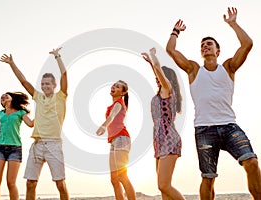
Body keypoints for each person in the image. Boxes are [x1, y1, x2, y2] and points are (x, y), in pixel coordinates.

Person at [166, 7, 261, 199]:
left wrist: (233, 24)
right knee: (208, 178)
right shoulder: (193, 69)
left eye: (209, 44)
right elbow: (171, 50)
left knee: (251, 162)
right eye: (202, 45)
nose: (205, 46)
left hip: (229, 127)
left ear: (218, 50)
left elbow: (247, 44)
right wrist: (175, 31)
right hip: (204, 130)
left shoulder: (228, 67)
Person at [0, 47, 69, 200]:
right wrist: (12, 64)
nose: (45, 87)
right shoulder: (38, 96)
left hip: (54, 145)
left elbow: (64, 75)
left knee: (60, 183)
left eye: (48, 84)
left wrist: (57, 56)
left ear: (54, 85)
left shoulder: (61, 97)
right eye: (43, 84)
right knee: (30, 183)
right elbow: (24, 81)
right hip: (37, 144)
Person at [142, 48, 184, 200]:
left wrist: (153, 57)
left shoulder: (167, 90)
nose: (157, 77)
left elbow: (159, 70)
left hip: (169, 139)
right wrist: (150, 64)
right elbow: (158, 72)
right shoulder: (160, 93)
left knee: (164, 185)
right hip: (159, 141)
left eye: (160, 76)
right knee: (163, 189)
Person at [96, 80, 136, 200]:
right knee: (114, 179)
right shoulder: (114, 104)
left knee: (122, 176)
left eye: (117, 87)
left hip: (121, 139)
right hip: (114, 141)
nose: (113, 87)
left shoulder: (119, 103)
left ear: (123, 93)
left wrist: (103, 125)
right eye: (114, 85)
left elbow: (112, 116)